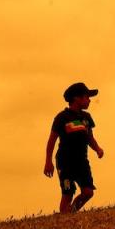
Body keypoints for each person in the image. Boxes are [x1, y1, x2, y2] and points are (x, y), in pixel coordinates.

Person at [43, 82, 105, 213]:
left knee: (88, 192)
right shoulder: (62, 117)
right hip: (65, 162)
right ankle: (64, 217)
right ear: (77, 99)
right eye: (87, 97)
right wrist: (48, 162)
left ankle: (71, 212)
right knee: (68, 192)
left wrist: (98, 149)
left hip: (82, 161)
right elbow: (51, 141)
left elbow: (89, 137)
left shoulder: (86, 118)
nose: (89, 101)